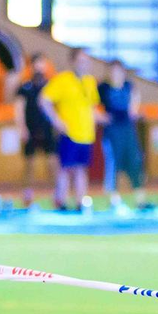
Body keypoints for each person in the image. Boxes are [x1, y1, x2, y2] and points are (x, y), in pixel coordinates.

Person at [40, 47, 99, 212]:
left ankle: (80, 202)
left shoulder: (90, 81)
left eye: (86, 61)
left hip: (86, 134)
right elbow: (44, 100)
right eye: (80, 61)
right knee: (65, 169)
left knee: (81, 169)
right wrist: (56, 120)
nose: (83, 64)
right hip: (69, 133)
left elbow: (92, 107)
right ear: (73, 62)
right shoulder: (63, 80)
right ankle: (61, 202)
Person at [97, 60, 149, 210]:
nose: (116, 74)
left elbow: (133, 106)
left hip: (128, 130)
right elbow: (91, 105)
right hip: (112, 131)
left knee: (135, 163)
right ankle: (114, 200)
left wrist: (136, 113)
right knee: (114, 165)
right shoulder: (103, 88)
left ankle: (140, 200)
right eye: (113, 71)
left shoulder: (128, 86)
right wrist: (100, 117)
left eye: (118, 71)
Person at [11, 52, 58, 208]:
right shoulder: (25, 87)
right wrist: (22, 128)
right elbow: (19, 109)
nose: (39, 67)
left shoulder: (51, 86)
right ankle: (27, 196)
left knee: (52, 163)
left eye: (42, 64)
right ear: (31, 67)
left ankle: (57, 196)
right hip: (31, 129)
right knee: (29, 164)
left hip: (47, 130)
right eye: (36, 64)